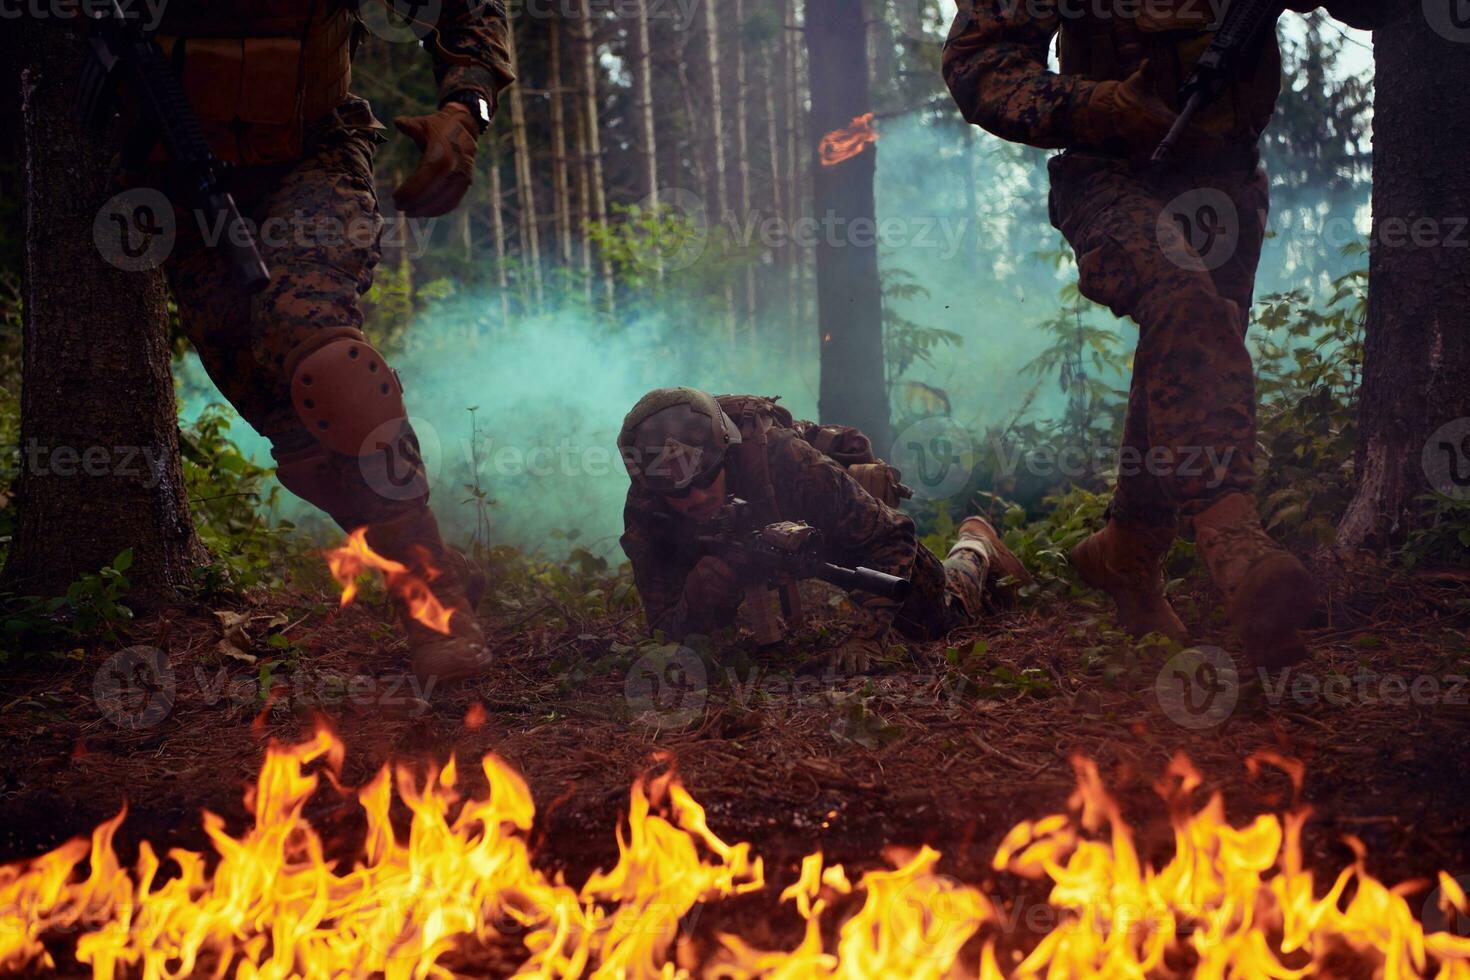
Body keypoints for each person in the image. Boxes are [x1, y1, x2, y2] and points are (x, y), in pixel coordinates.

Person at [941, 0, 1386, 666]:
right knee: (1185, 302)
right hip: (1111, 173)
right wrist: (1110, 107)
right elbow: (980, 64)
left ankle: (1128, 551)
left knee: (1189, 352)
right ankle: (1233, 540)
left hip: (1226, 181)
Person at [121, 1, 515, 682]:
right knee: (302, 448)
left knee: (326, 363)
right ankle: (429, 561)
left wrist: (466, 109)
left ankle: (438, 610)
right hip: (176, 182)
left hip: (312, 153)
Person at [616, 388, 1030, 672]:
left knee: (936, 621)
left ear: (726, 455)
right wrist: (696, 599)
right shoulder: (648, 511)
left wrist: (865, 637)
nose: (697, 497)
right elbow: (664, 631)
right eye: (679, 492)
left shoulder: (786, 461)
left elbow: (893, 535)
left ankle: (975, 546)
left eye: (707, 478)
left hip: (831, 536)